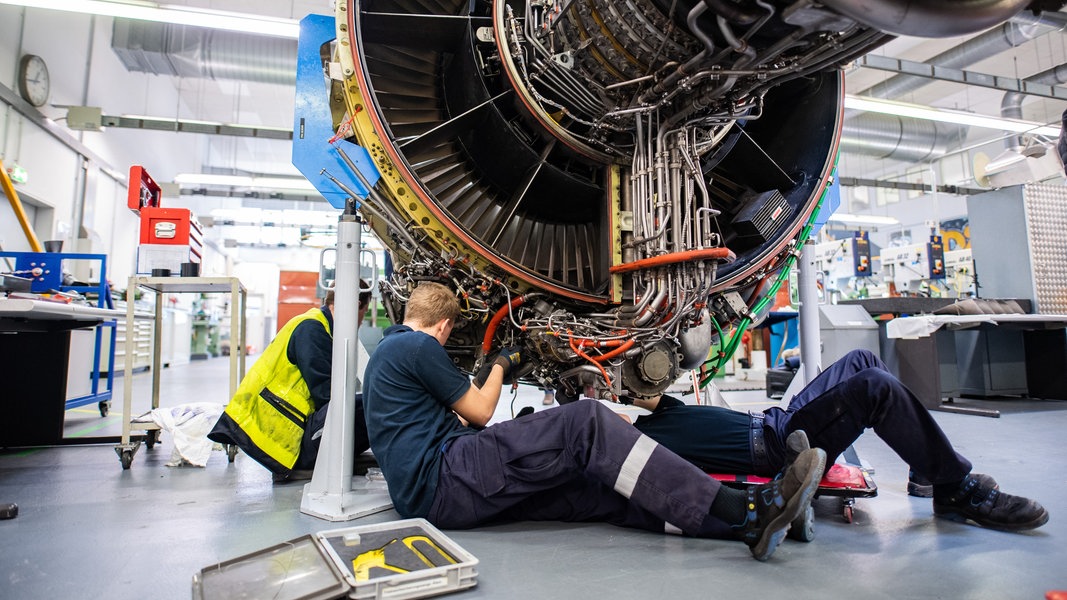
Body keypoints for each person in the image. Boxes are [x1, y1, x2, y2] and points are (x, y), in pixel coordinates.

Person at [361, 282, 828, 561]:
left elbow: (468, 422)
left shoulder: (385, 357)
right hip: (449, 476)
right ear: (443, 326)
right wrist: (503, 362)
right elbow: (481, 413)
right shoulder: (416, 347)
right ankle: (749, 508)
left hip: (435, 498)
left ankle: (751, 516)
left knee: (595, 488)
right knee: (584, 421)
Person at [627, 349, 1049, 531]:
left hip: (776, 420)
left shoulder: (661, 412)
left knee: (862, 360)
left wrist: (626, 383)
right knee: (873, 388)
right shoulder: (633, 441)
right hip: (783, 448)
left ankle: (928, 469)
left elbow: (649, 394)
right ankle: (956, 489)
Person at [208, 282, 372, 482]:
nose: (361, 321)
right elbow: (328, 395)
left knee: (362, 403)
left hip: (284, 436)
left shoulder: (313, 324)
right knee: (369, 404)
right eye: (364, 313)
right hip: (286, 444)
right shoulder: (312, 329)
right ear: (353, 305)